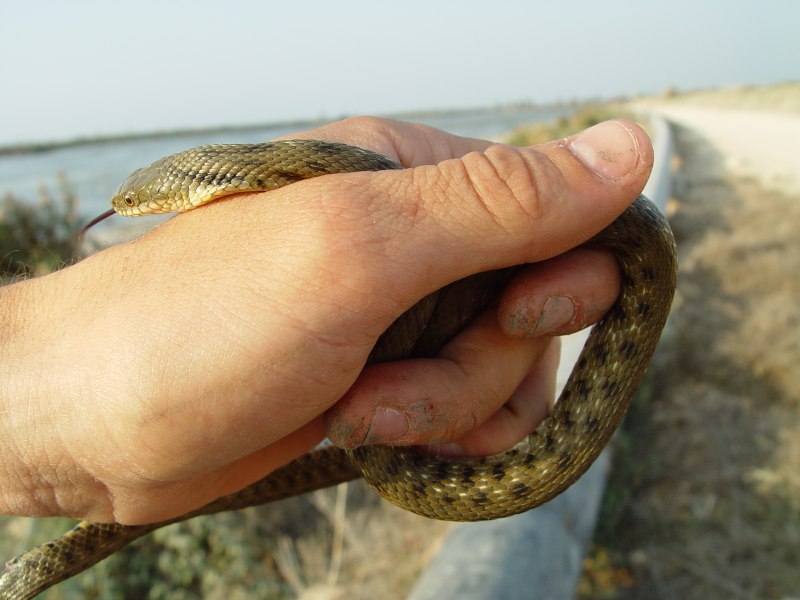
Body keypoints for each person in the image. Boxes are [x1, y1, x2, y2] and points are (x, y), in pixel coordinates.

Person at [0, 116, 651, 526]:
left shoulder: (299, 176)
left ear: (192, 188)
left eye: (138, 203)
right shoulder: (293, 175)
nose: (131, 208)